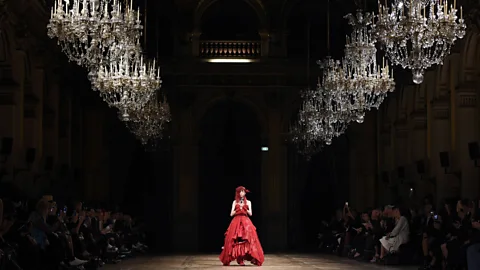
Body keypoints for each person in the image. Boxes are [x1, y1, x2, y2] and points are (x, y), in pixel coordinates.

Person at [219, 186, 264, 266]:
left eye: (243, 191)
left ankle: (242, 258)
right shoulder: (234, 202)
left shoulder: (249, 202)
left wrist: (244, 208)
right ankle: (237, 258)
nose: (242, 193)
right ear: (238, 193)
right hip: (236, 221)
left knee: (247, 240)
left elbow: (250, 213)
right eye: (241, 191)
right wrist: (238, 208)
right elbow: (231, 214)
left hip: (245, 222)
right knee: (235, 240)